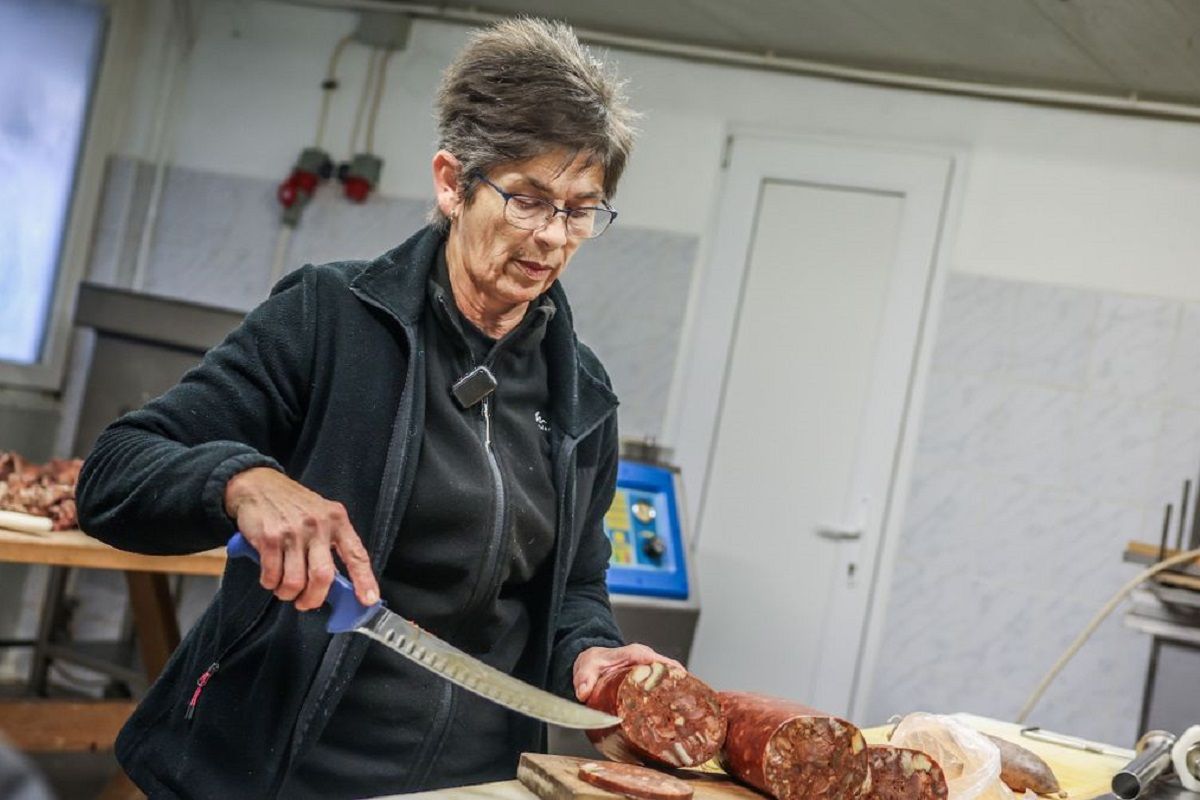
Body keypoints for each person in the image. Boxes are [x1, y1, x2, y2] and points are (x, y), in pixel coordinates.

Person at [77, 17, 677, 799]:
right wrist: (242, 480)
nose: (553, 237)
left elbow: (574, 590)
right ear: (450, 182)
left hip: (473, 784)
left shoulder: (583, 397)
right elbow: (113, 476)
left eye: (579, 210)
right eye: (527, 199)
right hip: (279, 770)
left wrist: (592, 655)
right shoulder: (328, 317)